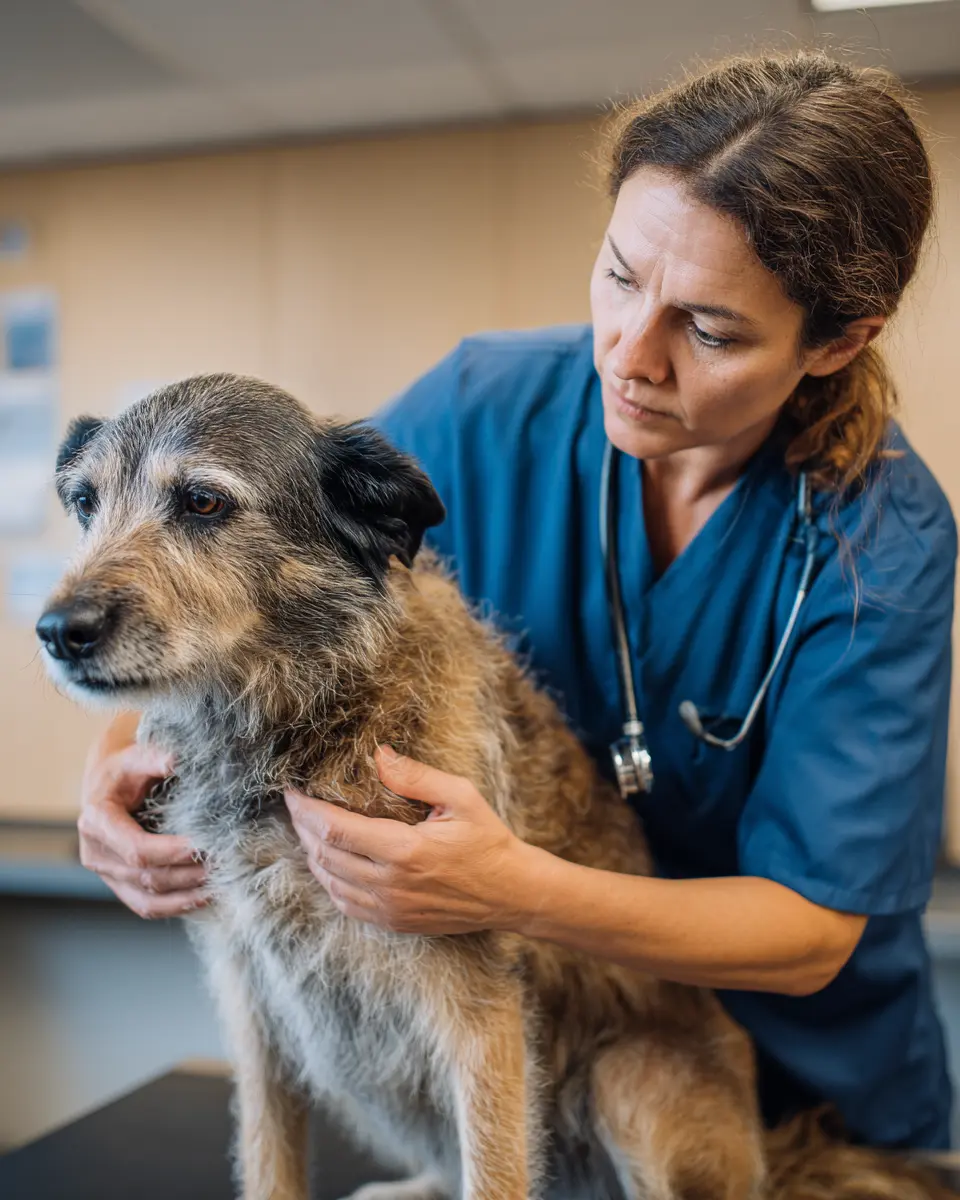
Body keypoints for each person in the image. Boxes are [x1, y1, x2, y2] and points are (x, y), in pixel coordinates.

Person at [77, 52, 957, 1151]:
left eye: (713, 330)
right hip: (538, 1079)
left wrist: (510, 889)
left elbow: (812, 929)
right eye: (622, 276)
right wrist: (117, 760)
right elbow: (259, 569)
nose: (630, 357)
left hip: (819, 1096)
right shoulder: (487, 404)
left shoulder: (882, 542)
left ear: (837, 342)